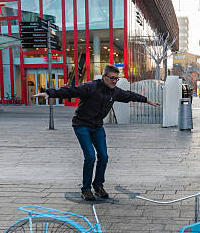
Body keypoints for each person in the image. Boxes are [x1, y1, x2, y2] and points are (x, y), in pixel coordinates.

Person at [34, 65, 160, 201]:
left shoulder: (115, 92)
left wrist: (147, 100)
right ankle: (86, 189)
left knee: (104, 156)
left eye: (116, 79)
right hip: (81, 125)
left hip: (97, 127)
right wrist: (50, 93)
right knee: (90, 156)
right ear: (104, 77)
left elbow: (129, 95)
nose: (114, 81)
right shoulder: (91, 87)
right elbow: (71, 90)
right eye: (112, 78)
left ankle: (98, 185)